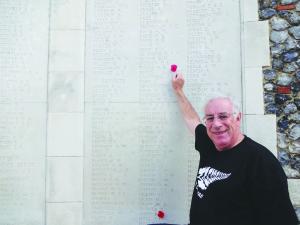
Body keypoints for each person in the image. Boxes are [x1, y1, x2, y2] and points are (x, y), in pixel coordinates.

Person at [171, 73, 298, 225]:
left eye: (223, 116)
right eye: (210, 118)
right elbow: (192, 119)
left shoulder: (262, 163)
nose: (216, 124)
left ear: (237, 118)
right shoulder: (210, 143)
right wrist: (178, 90)